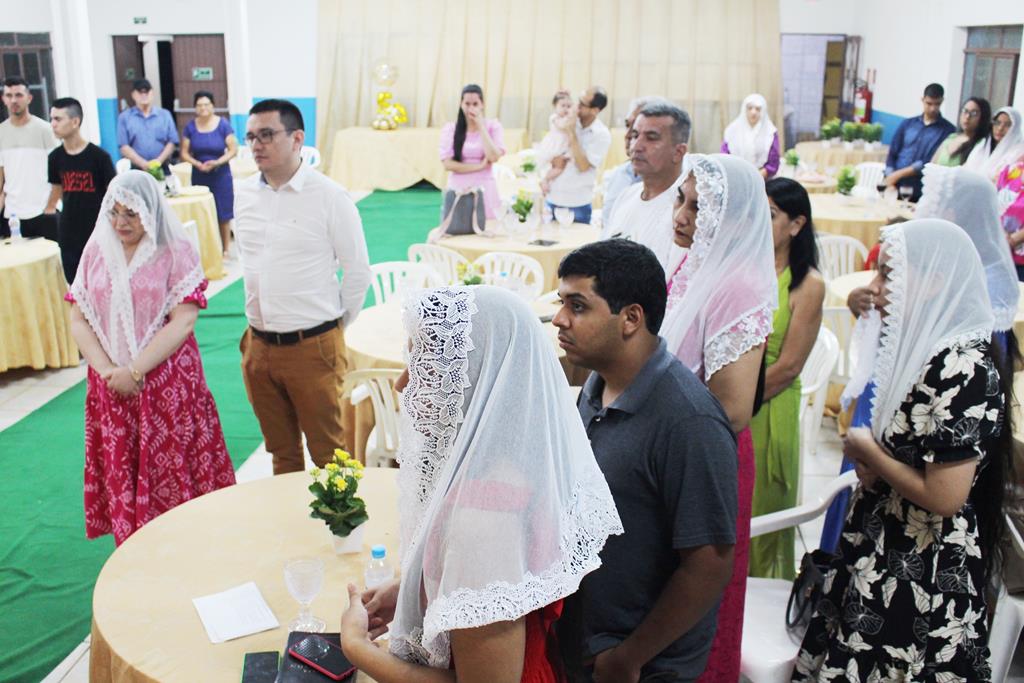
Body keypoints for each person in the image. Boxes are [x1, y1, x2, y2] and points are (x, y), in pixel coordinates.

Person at [340, 285, 623, 682]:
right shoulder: (512, 466)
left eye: (424, 366)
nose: (404, 384)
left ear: (476, 378)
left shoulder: (481, 521)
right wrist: (412, 589)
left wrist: (357, 648)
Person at [792, 219, 1011, 681]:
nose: (876, 288)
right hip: (883, 536)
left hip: (922, 562)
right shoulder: (923, 349)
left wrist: (871, 454)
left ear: (931, 281)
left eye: (888, 275)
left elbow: (945, 497)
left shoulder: (964, 368)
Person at [552, 240, 739, 681]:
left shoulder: (689, 420)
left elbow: (710, 563)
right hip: (588, 639)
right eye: (561, 303)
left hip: (642, 663)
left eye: (578, 306)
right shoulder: (597, 384)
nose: (560, 319)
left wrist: (630, 656)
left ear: (631, 319)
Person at [66, 170, 235, 546]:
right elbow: (78, 317)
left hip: (165, 384)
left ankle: (184, 547)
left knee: (171, 473)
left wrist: (136, 370)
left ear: (151, 210)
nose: (121, 222)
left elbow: (185, 318)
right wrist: (109, 370)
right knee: (123, 466)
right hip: (111, 384)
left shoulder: (173, 249)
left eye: (132, 213)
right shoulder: (97, 250)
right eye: (115, 212)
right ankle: (133, 551)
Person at [661, 153, 778, 683]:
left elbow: (730, 408)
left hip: (705, 457)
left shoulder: (740, 283)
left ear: (730, 217)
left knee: (694, 603)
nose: (681, 216)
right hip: (672, 444)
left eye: (697, 206)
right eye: (681, 201)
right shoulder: (694, 263)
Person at [235, 99, 371, 474]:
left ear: (297, 138)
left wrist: (332, 327)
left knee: (331, 456)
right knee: (282, 454)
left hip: (312, 346)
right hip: (258, 346)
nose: (257, 145)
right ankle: (289, 528)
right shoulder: (244, 193)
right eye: (251, 137)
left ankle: (342, 532)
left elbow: (358, 271)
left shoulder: (329, 196)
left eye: (266, 135)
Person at [748, 178, 824, 580]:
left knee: (761, 512)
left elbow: (791, 365)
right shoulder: (750, 266)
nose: (762, 220)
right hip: (740, 396)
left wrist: (741, 399)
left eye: (772, 214)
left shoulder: (808, 284)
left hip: (769, 401)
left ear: (796, 225)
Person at [915, 163, 1019, 359]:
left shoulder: (992, 277)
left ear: (950, 214)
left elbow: (986, 356)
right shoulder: (952, 258)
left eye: (935, 205)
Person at [602, 101, 689, 279]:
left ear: (678, 152)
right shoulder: (627, 196)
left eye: (651, 137)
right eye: (635, 135)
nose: (636, 146)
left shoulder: (685, 213)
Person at [45, 97, 117, 284]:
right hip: (69, 232)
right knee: (75, 285)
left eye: (58, 119)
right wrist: (48, 214)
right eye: (51, 119)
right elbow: (56, 191)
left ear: (75, 122)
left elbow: (114, 194)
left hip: (97, 231)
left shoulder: (99, 157)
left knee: (101, 283)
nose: (53, 124)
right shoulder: (55, 158)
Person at [0, 76, 59, 240]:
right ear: (3, 99)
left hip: (43, 211)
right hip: (13, 216)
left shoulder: (45, 130)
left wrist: (51, 206)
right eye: (9, 95)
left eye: (18, 95)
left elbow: (57, 173)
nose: (14, 100)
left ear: (29, 98)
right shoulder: (1, 132)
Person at [181, 90, 238, 258]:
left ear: (213, 106)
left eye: (206, 104)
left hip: (221, 174)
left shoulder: (223, 124)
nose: (203, 108)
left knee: (223, 213)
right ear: (195, 108)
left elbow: (233, 149)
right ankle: (206, 249)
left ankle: (225, 249)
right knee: (203, 211)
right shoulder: (190, 127)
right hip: (199, 174)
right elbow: (184, 153)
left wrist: (218, 162)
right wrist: (197, 164)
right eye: (199, 105)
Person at [545, 87, 611, 225]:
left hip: (577, 204)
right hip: (553, 198)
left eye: (582, 104)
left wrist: (571, 132)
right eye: (577, 101)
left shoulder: (601, 134)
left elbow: (583, 166)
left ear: (595, 110)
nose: (576, 106)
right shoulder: (567, 120)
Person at [439, 84, 505, 220]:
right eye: (467, 103)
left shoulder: (493, 126)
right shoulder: (451, 129)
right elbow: (448, 164)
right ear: (461, 104)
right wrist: (479, 166)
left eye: (475, 103)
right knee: (457, 227)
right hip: (458, 188)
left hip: (485, 187)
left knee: (487, 227)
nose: (471, 108)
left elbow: (493, 156)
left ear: (482, 105)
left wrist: (481, 126)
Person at [883, 83, 956, 201]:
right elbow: (893, 152)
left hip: (918, 189)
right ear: (922, 99)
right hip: (893, 186)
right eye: (929, 103)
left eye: (937, 104)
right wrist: (889, 177)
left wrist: (896, 176)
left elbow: (928, 162)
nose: (933, 108)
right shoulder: (908, 124)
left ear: (942, 101)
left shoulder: (947, 131)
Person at [601, 96, 661, 226]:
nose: (628, 135)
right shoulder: (618, 174)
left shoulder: (668, 185)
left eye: (637, 130)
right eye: (628, 125)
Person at [116, 78, 178, 173]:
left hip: (162, 167)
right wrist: (143, 163)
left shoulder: (165, 115)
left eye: (147, 92)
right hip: (137, 169)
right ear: (133, 94)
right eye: (140, 92)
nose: (143, 95)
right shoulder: (124, 117)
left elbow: (172, 141)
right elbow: (124, 146)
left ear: (152, 93)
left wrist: (158, 161)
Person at [720, 94, 780, 179]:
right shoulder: (732, 130)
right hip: (735, 176)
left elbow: (773, 163)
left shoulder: (770, 132)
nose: (753, 112)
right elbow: (724, 156)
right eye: (750, 108)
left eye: (758, 109)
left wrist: (755, 179)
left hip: (762, 179)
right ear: (744, 109)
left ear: (763, 111)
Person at [965, 106, 1024, 183]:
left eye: (1007, 125)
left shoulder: (1019, 153)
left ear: (1015, 128)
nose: (1000, 128)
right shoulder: (982, 145)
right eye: (997, 123)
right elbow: (966, 168)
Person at [930, 97, 991, 167]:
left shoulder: (981, 144)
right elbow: (932, 164)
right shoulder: (952, 137)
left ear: (983, 117)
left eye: (974, 113)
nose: (967, 116)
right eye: (965, 111)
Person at [536, 89, 574, 195]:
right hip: (555, 146)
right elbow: (562, 127)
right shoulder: (554, 118)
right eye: (563, 106)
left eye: (569, 106)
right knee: (558, 167)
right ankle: (545, 180)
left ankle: (547, 182)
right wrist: (570, 118)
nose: (566, 109)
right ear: (555, 106)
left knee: (560, 167)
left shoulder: (568, 118)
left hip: (564, 146)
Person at [998, 151, 1024, 279]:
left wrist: (1013, 239)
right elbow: (994, 202)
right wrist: (1002, 236)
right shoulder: (1013, 170)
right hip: (1003, 250)